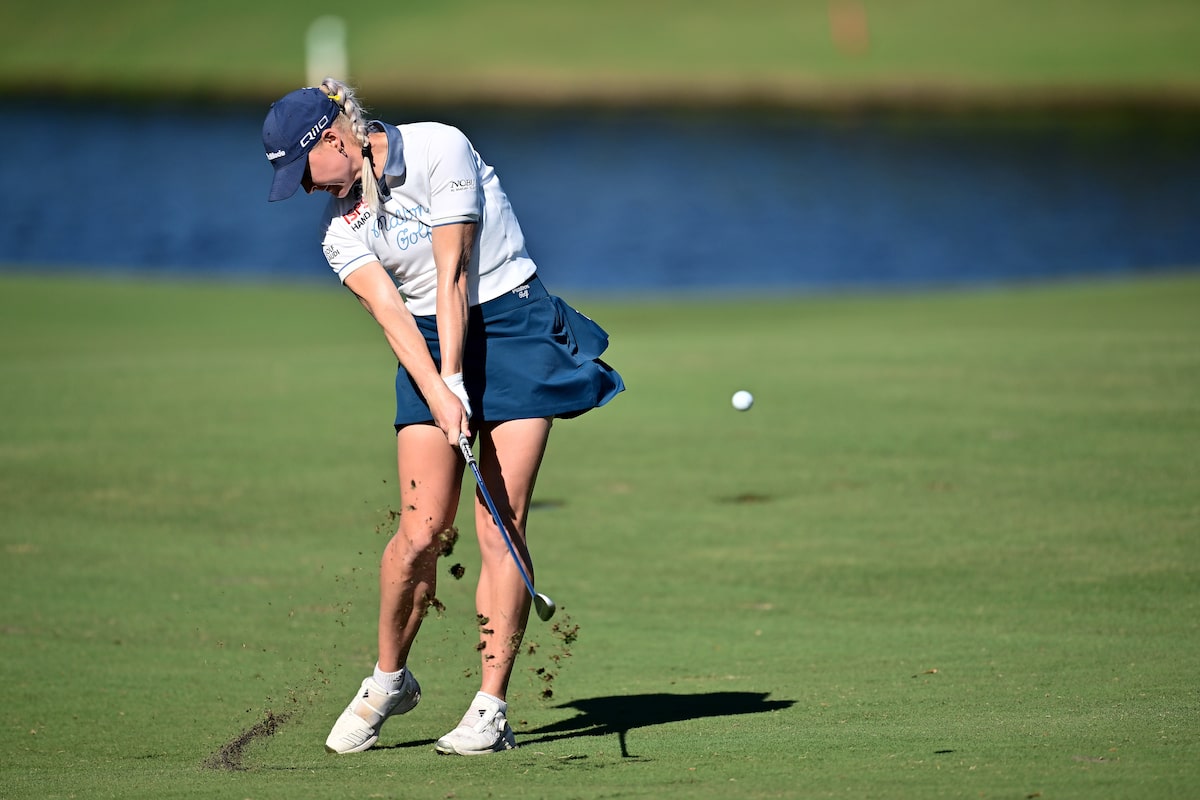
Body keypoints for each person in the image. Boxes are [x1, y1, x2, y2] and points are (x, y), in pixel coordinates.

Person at [262, 78, 623, 756]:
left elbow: (453, 270)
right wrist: (439, 390)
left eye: (304, 175)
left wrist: (457, 379)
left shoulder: (438, 148)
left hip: (513, 324)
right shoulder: (341, 233)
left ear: (334, 140)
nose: (307, 193)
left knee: (500, 518)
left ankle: (490, 710)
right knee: (422, 532)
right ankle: (389, 679)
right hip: (427, 343)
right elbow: (395, 318)